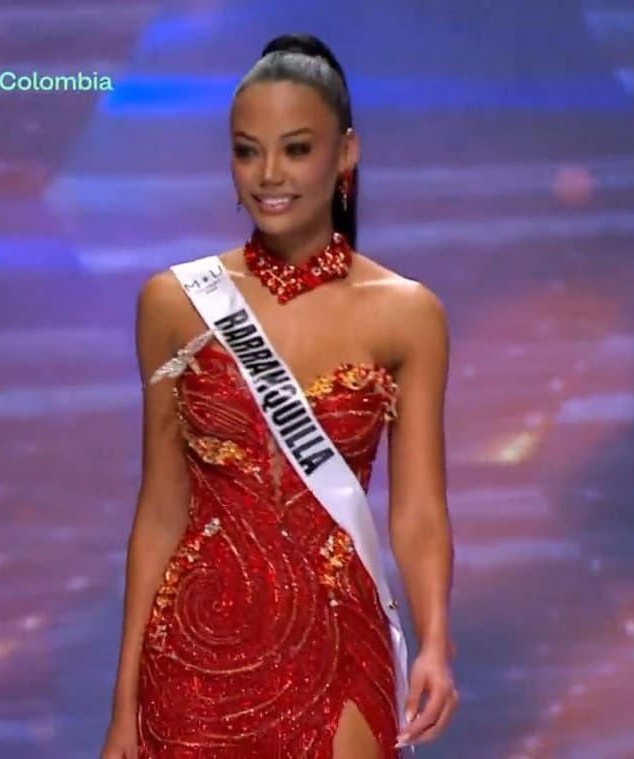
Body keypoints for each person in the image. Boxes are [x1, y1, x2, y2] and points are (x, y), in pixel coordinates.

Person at [100, 33, 458, 758]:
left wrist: (435, 642)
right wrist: (123, 708)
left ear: (346, 154)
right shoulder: (174, 302)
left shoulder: (408, 313)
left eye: (296, 149)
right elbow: (161, 508)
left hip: (337, 641)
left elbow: (418, 509)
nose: (269, 174)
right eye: (246, 150)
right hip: (192, 650)